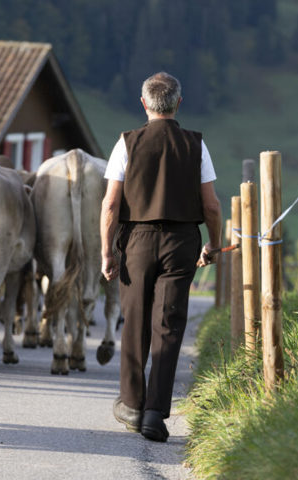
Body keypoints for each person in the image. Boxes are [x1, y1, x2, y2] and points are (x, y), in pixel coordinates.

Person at [99, 72, 222, 442]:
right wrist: (213, 245)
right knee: (167, 326)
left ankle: (132, 405)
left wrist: (106, 250)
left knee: (135, 319)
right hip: (182, 241)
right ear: (178, 103)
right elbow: (212, 206)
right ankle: (155, 413)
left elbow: (110, 204)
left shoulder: (127, 143)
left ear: (144, 104)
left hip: (136, 239)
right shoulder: (196, 145)